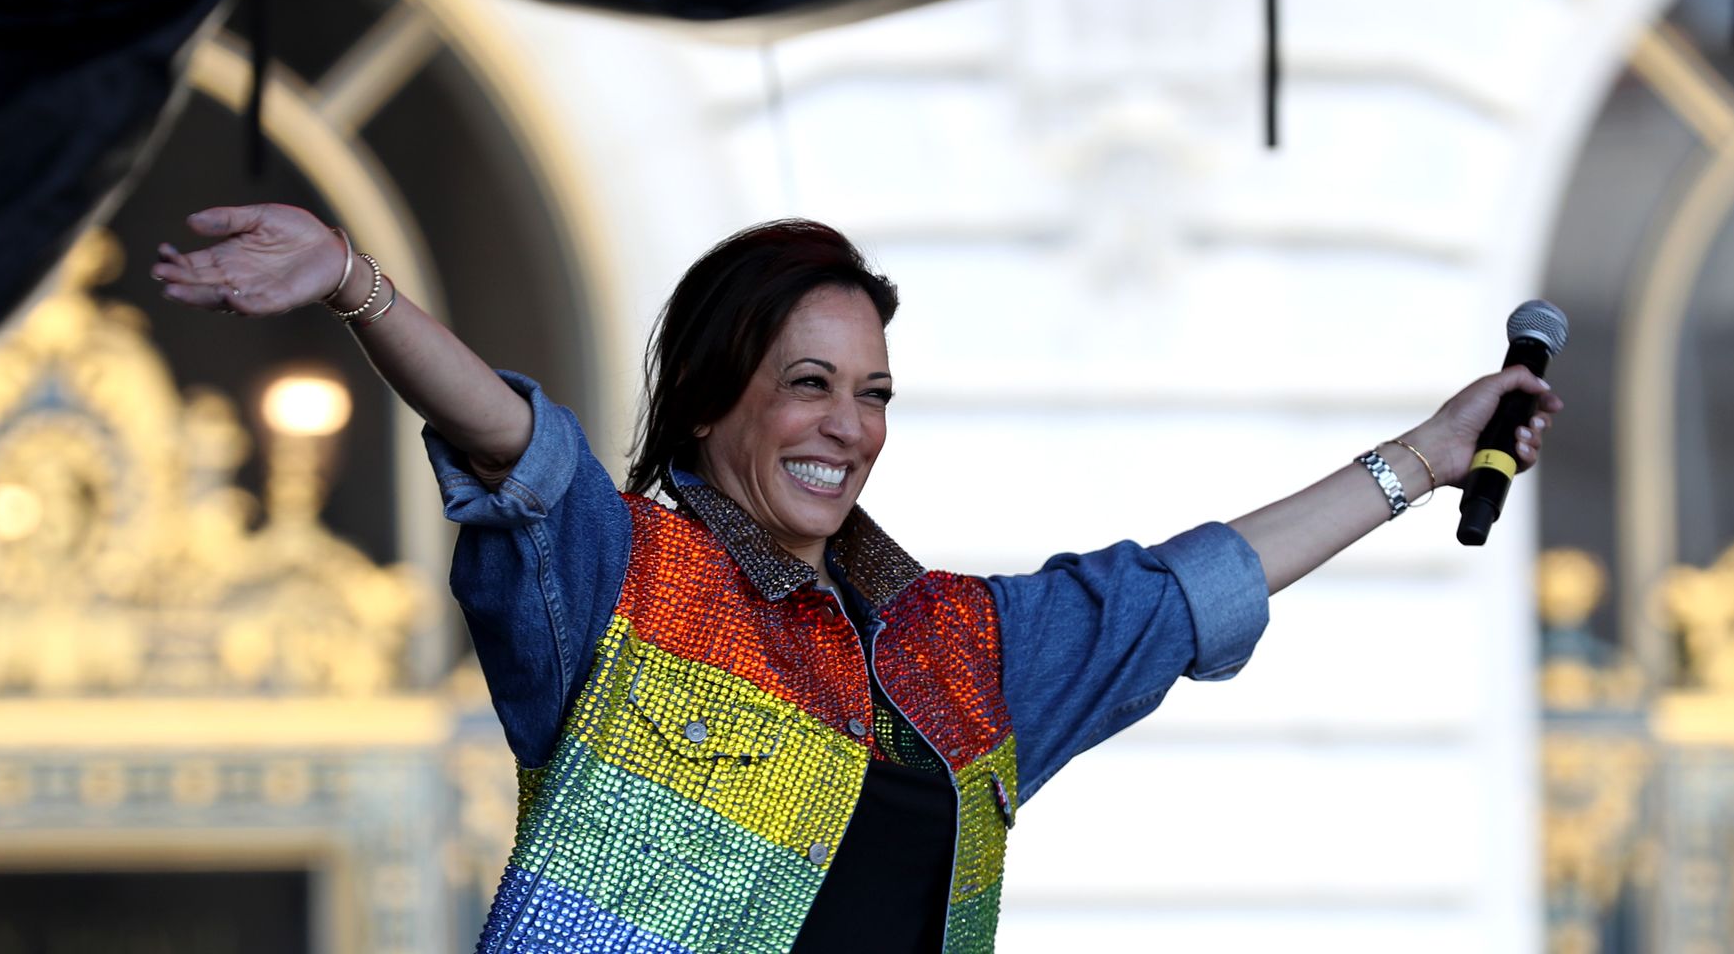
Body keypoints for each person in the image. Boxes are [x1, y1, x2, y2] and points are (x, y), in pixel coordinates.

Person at [153, 203, 1560, 954]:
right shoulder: (627, 575)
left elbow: (1183, 594)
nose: (848, 425)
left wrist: (1424, 459)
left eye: (874, 392)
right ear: (715, 399)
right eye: (809, 383)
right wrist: (358, 288)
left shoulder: (961, 646)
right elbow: (519, 449)